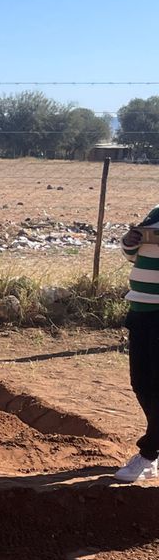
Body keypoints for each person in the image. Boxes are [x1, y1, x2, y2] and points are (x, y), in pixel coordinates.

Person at [116, 205, 159, 482]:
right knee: (141, 383)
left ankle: (148, 455)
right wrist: (129, 242)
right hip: (140, 310)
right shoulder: (156, 214)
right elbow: (133, 255)